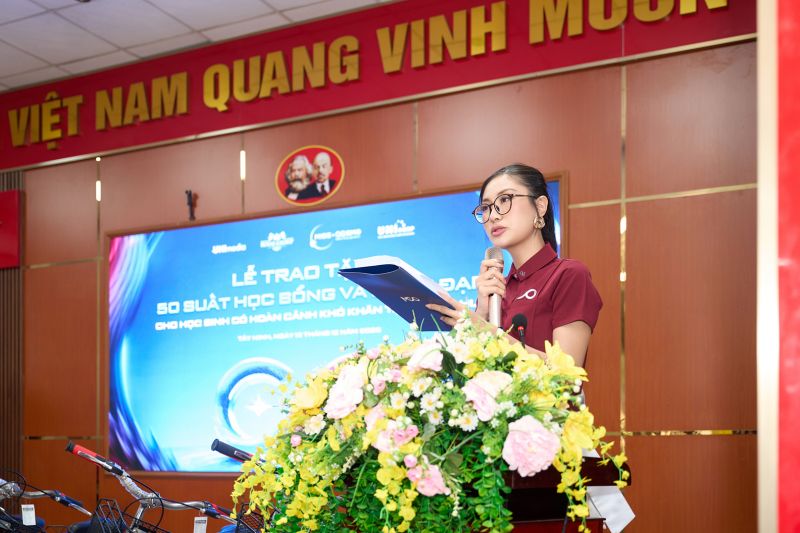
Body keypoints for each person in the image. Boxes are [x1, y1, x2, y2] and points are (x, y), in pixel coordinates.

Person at [427, 163, 602, 367]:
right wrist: (481, 312)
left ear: (540, 206)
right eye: (486, 208)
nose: (493, 216)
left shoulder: (568, 275)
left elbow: (567, 371)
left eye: (505, 199)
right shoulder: (496, 290)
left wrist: (485, 330)